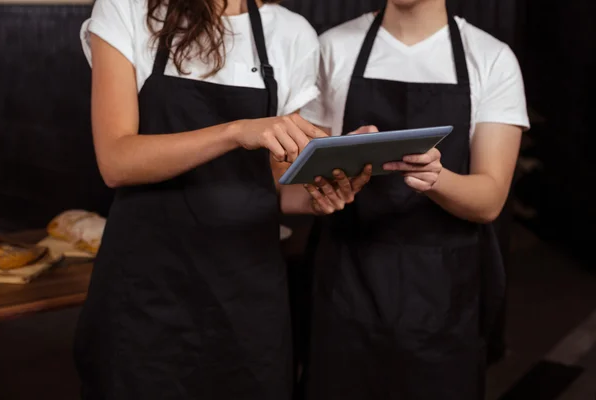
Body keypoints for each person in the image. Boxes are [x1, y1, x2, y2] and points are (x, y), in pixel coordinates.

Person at [73, 0, 371, 398]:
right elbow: (116, 161)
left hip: (247, 301)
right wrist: (234, 132)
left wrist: (326, 189)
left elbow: (278, 188)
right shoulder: (127, 8)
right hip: (146, 295)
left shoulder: (291, 33)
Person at [299, 0, 530, 398]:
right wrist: (324, 184)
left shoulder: (491, 58)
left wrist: (437, 179)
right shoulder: (332, 47)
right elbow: (304, 175)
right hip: (346, 284)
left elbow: (490, 198)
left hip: (443, 294)